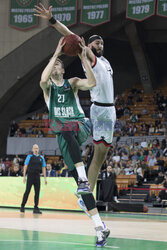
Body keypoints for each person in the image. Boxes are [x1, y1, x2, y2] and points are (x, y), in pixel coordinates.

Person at [34, 2, 116, 194]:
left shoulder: (105, 61)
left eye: (102, 43)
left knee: (102, 155)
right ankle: (87, 191)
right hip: (99, 109)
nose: (100, 45)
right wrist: (53, 21)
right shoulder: (89, 57)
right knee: (96, 155)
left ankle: (87, 191)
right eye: (96, 43)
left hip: (111, 110)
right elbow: (68, 34)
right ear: (87, 46)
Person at [38, 36, 110, 246]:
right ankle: (100, 228)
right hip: (64, 137)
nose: (57, 66)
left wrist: (82, 57)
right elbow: (42, 80)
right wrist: (56, 54)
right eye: (54, 64)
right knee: (84, 192)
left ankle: (82, 178)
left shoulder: (72, 83)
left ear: (63, 69)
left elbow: (93, 82)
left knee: (66, 128)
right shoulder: (48, 89)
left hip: (80, 125)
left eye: (60, 64)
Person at [20, 144, 47, 214]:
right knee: (27, 191)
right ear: (32, 149)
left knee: (37, 192)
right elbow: (25, 166)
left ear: (38, 149)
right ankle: (22, 206)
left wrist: (45, 178)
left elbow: (43, 168)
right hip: (30, 176)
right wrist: (24, 176)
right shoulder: (29, 156)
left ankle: (36, 208)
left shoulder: (41, 158)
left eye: (37, 148)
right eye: (34, 148)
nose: (36, 150)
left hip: (37, 176)